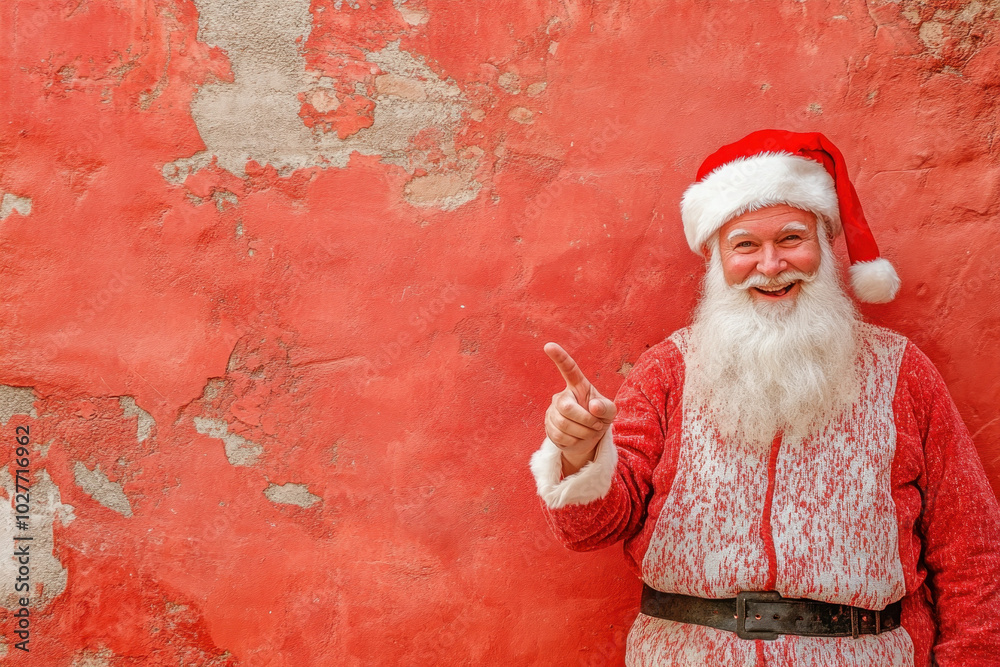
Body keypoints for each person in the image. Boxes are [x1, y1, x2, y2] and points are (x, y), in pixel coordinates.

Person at [529, 130, 1000, 666]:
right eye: (745, 244)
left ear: (823, 245)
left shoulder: (900, 372)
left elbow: (974, 553)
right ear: (716, 258)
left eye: (792, 239)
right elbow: (592, 531)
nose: (771, 265)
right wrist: (581, 454)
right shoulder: (669, 369)